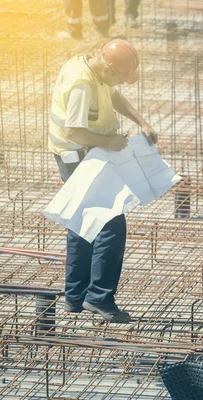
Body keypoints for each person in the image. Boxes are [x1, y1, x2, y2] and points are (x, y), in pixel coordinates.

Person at [49, 39, 158, 323]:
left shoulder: (95, 69)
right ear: (109, 67)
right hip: (78, 156)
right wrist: (109, 142)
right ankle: (98, 297)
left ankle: (75, 296)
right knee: (111, 223)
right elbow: (73, 131)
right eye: (120, 77)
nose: (120, 83)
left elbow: (113, 95)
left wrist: (141, 122)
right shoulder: (82, 85)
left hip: (87, 153)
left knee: (82, 219)